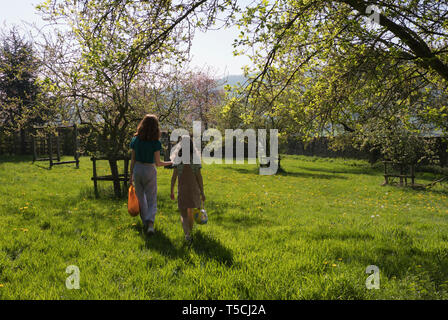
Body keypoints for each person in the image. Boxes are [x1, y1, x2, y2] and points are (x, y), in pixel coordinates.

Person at [129, 114, 172, 235]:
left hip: (137, 169)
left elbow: (132, 160)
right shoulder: (155, 143)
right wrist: (171, 162)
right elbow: (158, 163)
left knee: (141, 198)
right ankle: (151, 224)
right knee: (151, 198)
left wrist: (130, 175)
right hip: (149, 170)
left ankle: (144, 223)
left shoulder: (135, 140)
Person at [170, 135, 205, 244]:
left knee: (183, 213)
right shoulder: (195, 159)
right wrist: (202, 192)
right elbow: (199, 177)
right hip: (194, 189)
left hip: (183, 190)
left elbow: (174, 177)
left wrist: (171, 190)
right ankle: (190, 231)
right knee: (191, 210)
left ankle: (187, 234)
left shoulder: (178, 159)